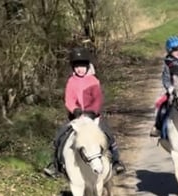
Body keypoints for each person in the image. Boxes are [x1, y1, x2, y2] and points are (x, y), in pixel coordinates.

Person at [44, 47, 126, 178]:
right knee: (59, 137)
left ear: (88, 66)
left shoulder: (93, 81)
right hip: (75, 118)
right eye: (76, 66)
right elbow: (69, 99)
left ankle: (116, 162)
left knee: (108, 135)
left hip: (93, 117)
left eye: (82, 66)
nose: (79, 69)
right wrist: (75, 110)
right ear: (73, 67)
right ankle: (56, 165)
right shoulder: (71, 81)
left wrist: (92, 111)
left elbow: (98, 99)